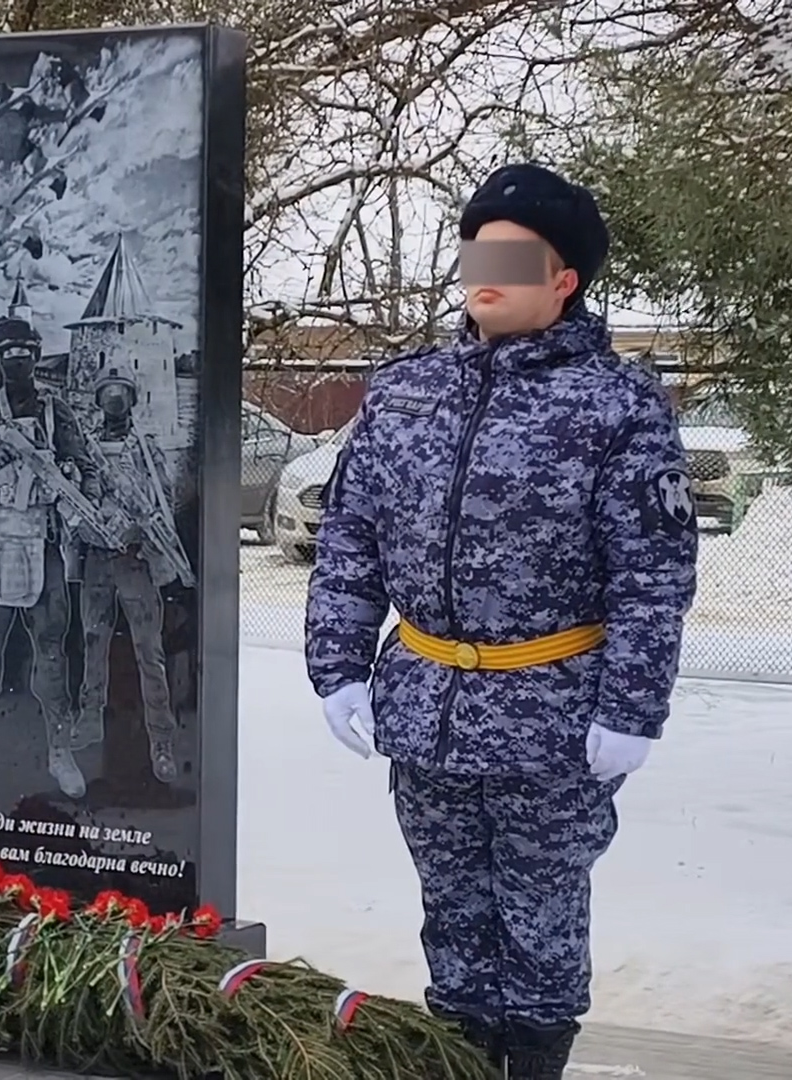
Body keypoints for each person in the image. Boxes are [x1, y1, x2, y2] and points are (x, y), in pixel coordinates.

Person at [303, 163, 697, 1079]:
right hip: (427, 706)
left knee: (541, 922)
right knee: (452, 915)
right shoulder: (404, 393)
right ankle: (465, 1061)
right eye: (478, 248)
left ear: (565, 280)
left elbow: (653, 572)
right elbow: (352, 535)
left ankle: (534, 1065)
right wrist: (337, 667)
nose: (487, 270)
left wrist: (632, 708)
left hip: (551, 716)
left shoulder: (616, 405)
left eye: (515, 256)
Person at [0, 316, 98, 799]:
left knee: (51, 656)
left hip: (43, 542)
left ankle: (59, 751)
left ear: (35, 353)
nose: (17, 360)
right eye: (8, 352)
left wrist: (68, 478)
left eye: (25, 351)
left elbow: (88, 470)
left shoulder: (56, 411)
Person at [72, 368, 186, 783]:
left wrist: (136, 530)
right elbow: (76, 499)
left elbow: (163, 502)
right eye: (108, 393)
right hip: (98, 558)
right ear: (99, 399)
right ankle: (89, 719)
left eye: (121, 393)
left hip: (135, 559)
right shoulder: (85, 447)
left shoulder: (146, 449)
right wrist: (93, 525)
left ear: (132, 399)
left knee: (149, 652)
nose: (115, 400)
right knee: (92, 643)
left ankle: (161, 740)